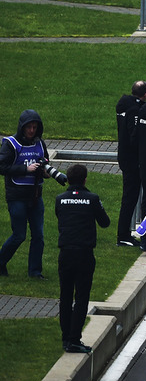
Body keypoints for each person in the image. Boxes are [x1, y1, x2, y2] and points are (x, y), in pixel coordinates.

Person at [0, 110, 65, 278]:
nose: (31, 131)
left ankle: (35, 272)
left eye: (34, 127)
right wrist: (25, 169)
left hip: (36, 195)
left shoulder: (39, 143)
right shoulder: (10, 143)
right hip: (16, 196)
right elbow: (2, 167)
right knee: (19, 235)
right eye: (28, 127)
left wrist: (45, 173)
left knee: (39, 236)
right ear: (22, 127)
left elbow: (44, 165)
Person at [55, 164, 110, 353]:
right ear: (85, 179)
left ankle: (65, 338)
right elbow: (105, 223)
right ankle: (74, 339)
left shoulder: (60, 199)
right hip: (84, 253)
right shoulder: (92, 199)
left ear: (68, 179)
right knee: (81, 297)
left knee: (65, 296)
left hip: (65, 253)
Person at [115, 80, 146, 246]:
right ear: (145, 94)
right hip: (132, 160)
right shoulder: (135, 111)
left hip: (125, 157)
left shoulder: (124, 106)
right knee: (130, 198)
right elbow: (133, 136)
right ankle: (122, 235)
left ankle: (124, 233)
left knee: (129, 197)